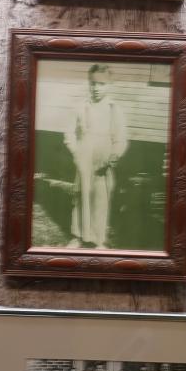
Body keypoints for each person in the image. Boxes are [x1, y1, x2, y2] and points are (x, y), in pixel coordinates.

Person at [63, 64, 128, 248]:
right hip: (84, 157)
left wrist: (115, 155)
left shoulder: (114, 109)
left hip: (104, 161)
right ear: (89, 83)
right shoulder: (81, 107)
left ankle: (99, 239)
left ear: (109, 85)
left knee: (101, 198)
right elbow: (69, 133)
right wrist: (76, 152)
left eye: (101, 84)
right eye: (93, 84)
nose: (96, 88)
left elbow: (120, 138)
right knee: (81, 195)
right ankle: (77, 236)